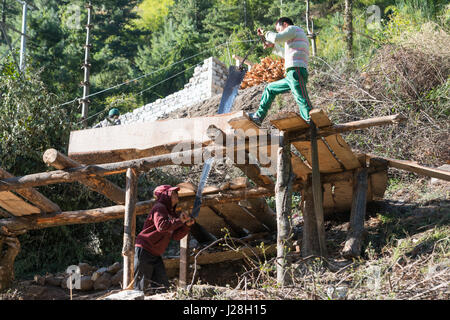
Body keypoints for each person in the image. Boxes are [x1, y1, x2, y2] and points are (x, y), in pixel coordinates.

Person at [249, 17, 313, 125]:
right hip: (292, 74)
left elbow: (277, 38)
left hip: (295, 71)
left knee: (300, 97)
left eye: (279, 29)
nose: (279, 32)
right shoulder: (296, 37)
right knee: (270, 88)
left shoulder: (293, 29)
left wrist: (265, 33)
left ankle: (310, 120)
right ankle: (259, 116)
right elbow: (286, 54)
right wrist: (273, 46)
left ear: (285, 24)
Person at [133, 185, 194, 294]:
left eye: (176, 193)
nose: (176, 195)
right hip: (145, 251)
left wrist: (186, 226)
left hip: (155, 254)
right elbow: (162, 226)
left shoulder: (171, 214)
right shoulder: (159, 207)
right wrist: (180, 220)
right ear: (165, 196)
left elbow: (175, 236)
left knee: (162, 288)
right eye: (173, 193)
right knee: (140, 289)